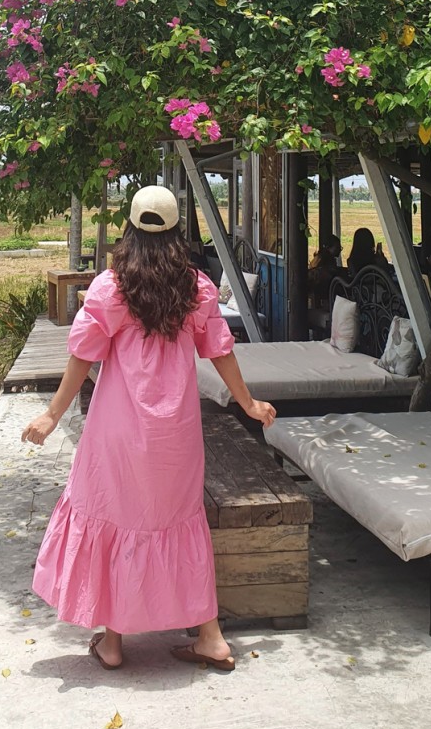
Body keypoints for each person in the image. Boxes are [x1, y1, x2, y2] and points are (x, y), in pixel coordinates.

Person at [21, 185, 276, 673]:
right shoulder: (196, 287)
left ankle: (113, 642)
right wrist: (248, 402)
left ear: (130, 230)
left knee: (116, 521)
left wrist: (53, 414)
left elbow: (83, 356)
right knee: (180, 523)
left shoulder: (110, 287)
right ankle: (211, 638)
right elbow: (220, 349)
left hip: (118, 431)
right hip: (175, 434)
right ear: (178, 230)